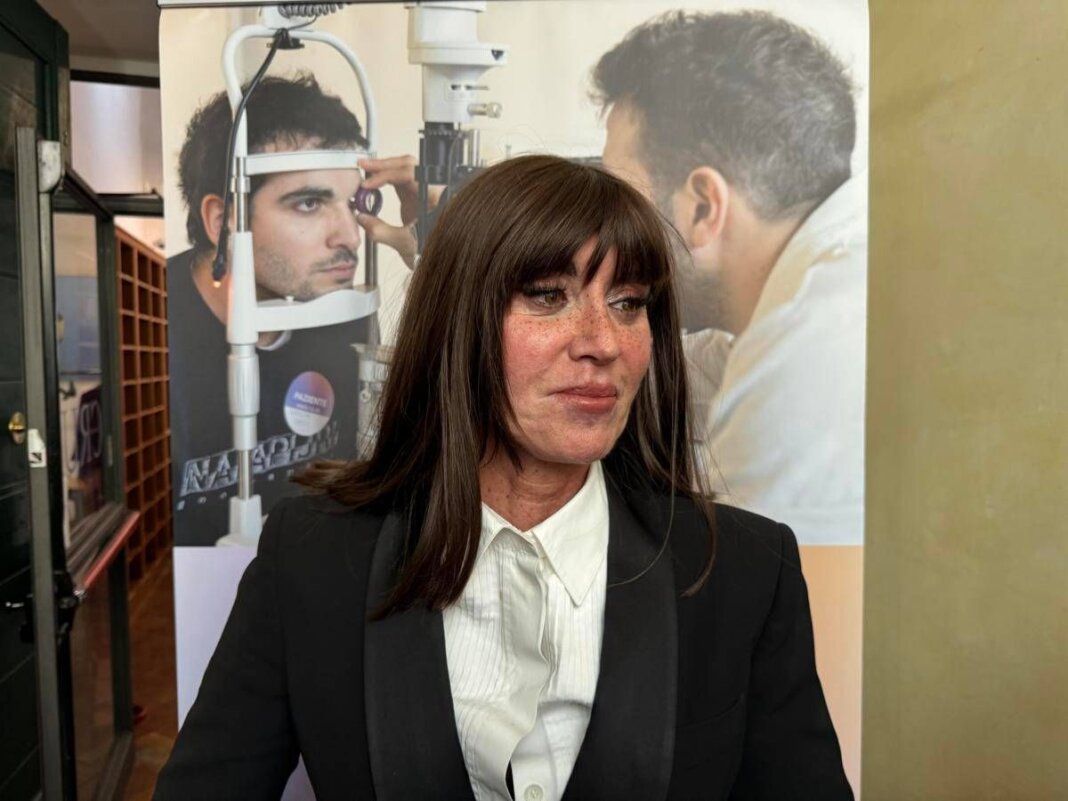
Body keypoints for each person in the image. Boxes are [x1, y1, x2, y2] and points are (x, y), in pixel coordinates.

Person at [154, 155, 851, 800]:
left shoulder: (743, 571)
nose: (603, 342)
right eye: (548, 296)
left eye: (628, 302)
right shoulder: (313, 556)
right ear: (458, 321)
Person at [594, 11, 866, 786]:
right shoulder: (832, 271)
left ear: (702, 206)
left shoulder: (803, 362)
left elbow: (741, 672)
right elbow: (700, 364)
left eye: (620, 203)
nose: (604, 233)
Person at [168, 74, 416, 545]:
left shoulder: (340, 308)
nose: (349, 236)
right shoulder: (150, 323)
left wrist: (446, 244)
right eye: (309, 203)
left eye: (355, 202)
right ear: (223, 222)